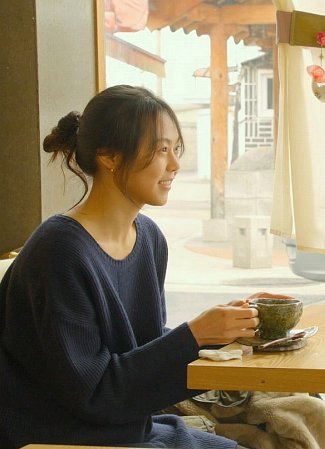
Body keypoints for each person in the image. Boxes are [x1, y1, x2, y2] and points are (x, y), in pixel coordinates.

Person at [0, 85, 261, 448]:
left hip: (129, 428)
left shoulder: (149, 238)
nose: (175, 165)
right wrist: (195, 336)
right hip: (65, 439)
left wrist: (226, 330)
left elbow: (144, 349)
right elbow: (93, 394)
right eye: (161, 150)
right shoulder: (59, 251)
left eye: (176, 149)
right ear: (109, 156)